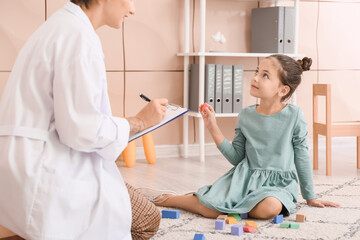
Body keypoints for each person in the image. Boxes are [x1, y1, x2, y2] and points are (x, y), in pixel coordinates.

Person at [0, 0, 166, 239]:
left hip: (21, 164)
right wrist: (139, 121)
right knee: (146, 220)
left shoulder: (60, 26)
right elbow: (81, 131)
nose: (133, 9)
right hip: (42, 170)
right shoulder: (79, 37)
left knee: (118, 195)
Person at [154, 55, 340, 219]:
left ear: (283, 90)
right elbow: (236, 157)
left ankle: (225, 206)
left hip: (278, 185)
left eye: (265, 75)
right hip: (244, 180)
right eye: (257, 71)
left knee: (270, 208)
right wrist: (212, 126)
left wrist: (310, 196)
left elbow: (302, 155)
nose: (255, 78)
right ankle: (177, 199)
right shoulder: (246, 115)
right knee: (211, 211)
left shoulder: (294, 116)